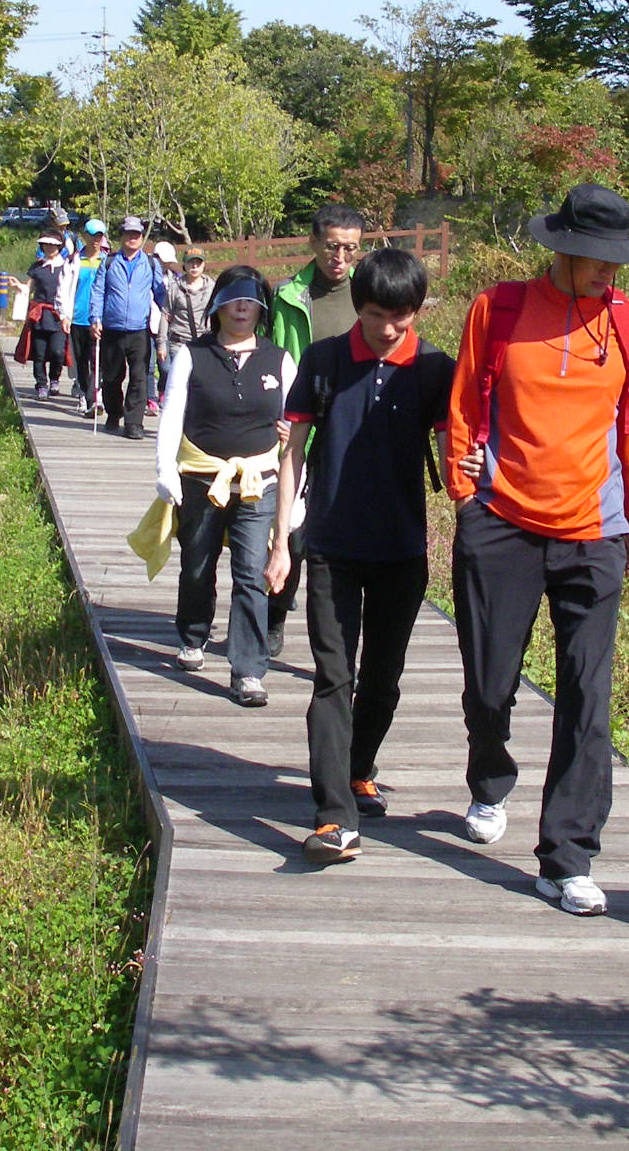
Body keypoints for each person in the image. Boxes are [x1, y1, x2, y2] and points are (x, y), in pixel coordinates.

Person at [443, 183, 629, 918]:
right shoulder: (497, 309)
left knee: (587, 696)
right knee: (490, 683)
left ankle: (567, 858)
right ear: (563, 249)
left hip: (593, 532)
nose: (610, 272)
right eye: (599, 258)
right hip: (501, 519)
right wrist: (463, 491)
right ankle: (488, 778)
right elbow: (466, 403)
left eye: (618, 260)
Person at [268, 248, 453, 863]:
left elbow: (458, 448)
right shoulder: (322, 362)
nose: (389, 329)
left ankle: (359, 767)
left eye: (402, 316)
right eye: (377, 315)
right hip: (329, 545)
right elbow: (292, 451)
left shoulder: (432, 368)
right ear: (358, 307)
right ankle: (333, 818)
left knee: (383, 680)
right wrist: (279, 542)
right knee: (332, 677)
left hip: (401, 548)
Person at [155, 265, 294, 706]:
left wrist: (298, 492)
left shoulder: (279, 360)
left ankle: (248, 669)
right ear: (217, 305)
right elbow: (172, 414)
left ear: (261, 309)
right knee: (198, 563)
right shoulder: (192, 355)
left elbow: (297, 428)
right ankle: (193, 636)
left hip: (259, 482)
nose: (242, 308)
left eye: (251, 301)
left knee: (252, 573)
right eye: (234, 299)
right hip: (201, 477)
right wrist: (165, 469)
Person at [265, 204, 367, 655]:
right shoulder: (288, 295)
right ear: (313, 242)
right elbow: (269, 357)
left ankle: (342, 641)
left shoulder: (369, 294)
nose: (339, 257)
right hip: (296, 424)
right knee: (289, 532)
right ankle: (274, 617)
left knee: (346, 539)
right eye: (331, 246)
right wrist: (277, 413)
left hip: (353, 428)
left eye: (349, 248)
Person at [90, 216, 169, 440]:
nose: (132, 238)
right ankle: (114, 413)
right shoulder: (108, 262)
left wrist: (171, 311)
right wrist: (95, 318)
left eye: (137, 235)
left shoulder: (151, 263)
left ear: (142, 238)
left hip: (139, 329)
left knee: (140, 376)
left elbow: (160, 293)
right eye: (128, 234)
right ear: (122, 236)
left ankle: (134, 422)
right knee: (112, 376)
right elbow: (98, 292)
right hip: (112, 329)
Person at [22, 231, 73, 398]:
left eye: (52, 244)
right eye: (46, 244)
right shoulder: (37, 267)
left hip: (58, 314)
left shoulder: (67, 266)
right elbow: (27, 287)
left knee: (58, 350)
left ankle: (55, 379)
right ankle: (41, 384)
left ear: (59, 246)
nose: (49, 247)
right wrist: (18, 287)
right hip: (40, 314)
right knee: (39, 352)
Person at [69, 220, 106, 417]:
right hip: (78, 317)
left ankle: (95, 396)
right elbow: (67, 288)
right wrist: (65, 315)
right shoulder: (75, 260)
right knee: (81, 361)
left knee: (97, 359)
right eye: (93, 235)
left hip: (98, 320)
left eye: (99, 235)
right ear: (85, 235)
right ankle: (84, 393)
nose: (96, 240)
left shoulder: (107, 260)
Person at [150, 240, 184, 410]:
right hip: (148, 325)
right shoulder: (146, 274)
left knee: (166, 367)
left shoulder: (175, 278)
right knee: (148, 366)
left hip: (167, 327)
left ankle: (163, 391)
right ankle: (150, 398)